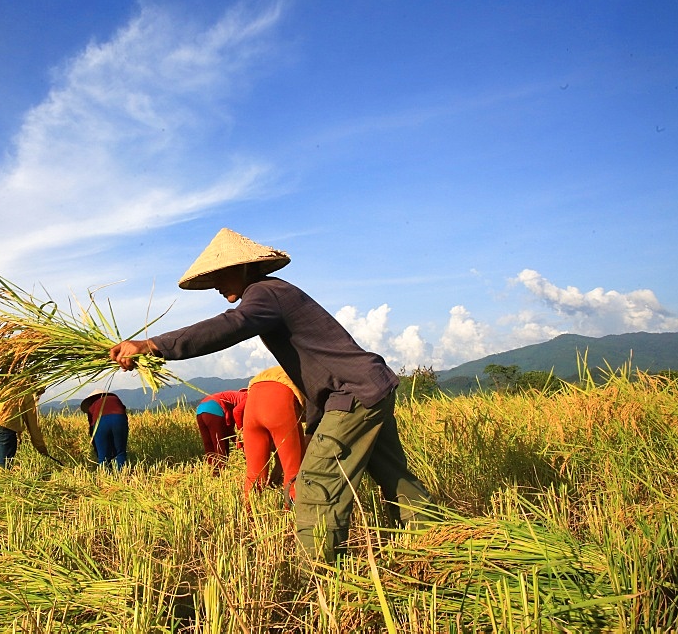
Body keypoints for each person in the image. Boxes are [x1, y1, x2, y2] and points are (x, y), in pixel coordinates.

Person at [110, 227, 435, 561]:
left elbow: (231, 326)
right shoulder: (275, 293)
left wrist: (153, 345)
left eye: (220, 275)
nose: (217, 286)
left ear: (244, 268)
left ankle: (317, 576)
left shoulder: (265, 292)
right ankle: (434, 545)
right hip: (370, 386)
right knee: (396, 480)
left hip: (353, 394)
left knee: (316, 484)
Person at [241, 366, 307, 502]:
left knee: (254, 475)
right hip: (281, 397)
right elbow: (314, 419)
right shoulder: (317, 376)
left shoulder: (283, 367)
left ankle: (248, 517)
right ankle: (291, 517)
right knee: (293, 472)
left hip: (252, 403)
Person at [0, 391, 50, 473]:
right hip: (5, 423)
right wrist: (41, 447)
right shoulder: (22, 388)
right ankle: (1, 484)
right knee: (3, 467)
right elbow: (32, 421)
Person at [194, 388, 246, 471]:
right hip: (214, 408)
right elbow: (237, 412)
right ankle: (222, 471)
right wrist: (241, 432)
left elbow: (228, 429)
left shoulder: (236, 396)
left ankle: (213, 471)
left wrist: (237, 441)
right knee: (220, 444)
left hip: (200, 409)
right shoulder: (248, 397)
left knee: (209, 444)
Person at [80, 389, 129, 469]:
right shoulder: (115, 399)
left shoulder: (93, 406)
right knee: (120, 452)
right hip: (120, 420)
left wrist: (96, 448)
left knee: (103, 456)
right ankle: (122, 475)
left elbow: (92, 428)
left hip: (101, 422)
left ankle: (106, 476)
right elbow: (124, 415)